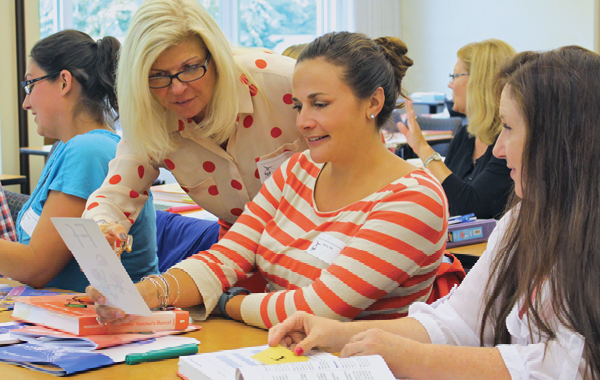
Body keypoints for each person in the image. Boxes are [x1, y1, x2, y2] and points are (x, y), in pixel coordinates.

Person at [269, 46, 600, 379]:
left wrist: (412, 357)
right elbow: (461, 322)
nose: (499, 149)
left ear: (558, 141)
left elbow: (573, 365)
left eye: (509, 129)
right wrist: (336, 333)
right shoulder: (523, 220)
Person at [88, 31, 451, 329]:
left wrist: (228, 304)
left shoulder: (413, 199)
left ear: (372, 102)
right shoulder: (299, 169)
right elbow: (225, 258)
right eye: (298, 106)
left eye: (319, 104)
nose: (303, 122)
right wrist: (146, 294)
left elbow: (320, 307)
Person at [82, 0, 306, 259]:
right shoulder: (151, 117)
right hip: (244, 249)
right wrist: (102, 228)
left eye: (189, 68)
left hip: (326, 239)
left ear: (215, 57)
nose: (177, 89)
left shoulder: (282, 81)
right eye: (158, 76)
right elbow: (113, 195)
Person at [0, 30, 158, 292]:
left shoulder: (89, 151)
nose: (26, 103)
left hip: (106, 319)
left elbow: (37, 267)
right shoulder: (67, 147)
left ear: (64, 82)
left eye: (30, 85)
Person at [398, 39, 515, 219]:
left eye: (454, 76)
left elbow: (473, 207)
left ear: (479, 81)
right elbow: (442, 197)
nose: (449, 84)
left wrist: (423, 149)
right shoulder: (466, 136)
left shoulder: (509, 144)